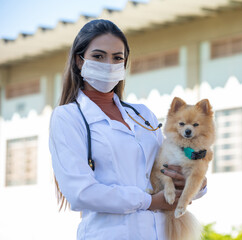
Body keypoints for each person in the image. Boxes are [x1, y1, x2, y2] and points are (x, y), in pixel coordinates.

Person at [49, 19, 207, 240]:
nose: (109, 64)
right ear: (79, 60)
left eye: (117, 58)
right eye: (98, 56)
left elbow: (170, 167)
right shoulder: (68, 117)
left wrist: (195, 182)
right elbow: (81, 193)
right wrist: (150, 202)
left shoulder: (143, 115)